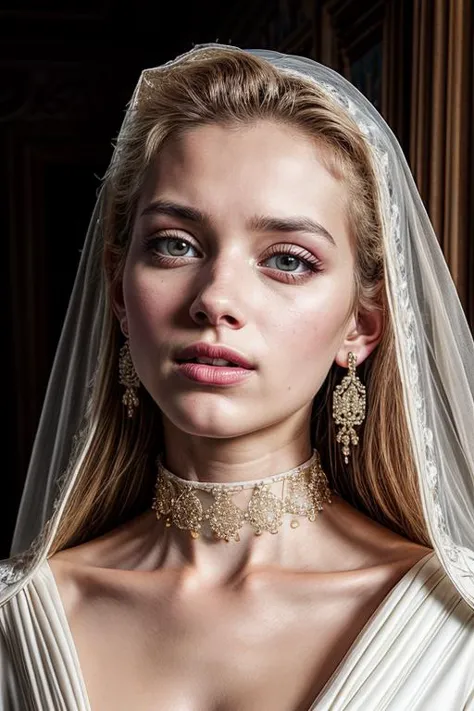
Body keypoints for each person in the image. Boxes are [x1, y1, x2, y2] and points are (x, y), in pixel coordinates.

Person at [0, 44, 473, 711]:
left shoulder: (458, 629)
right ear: (117, 291)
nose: (215, 297)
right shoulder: (17, 621)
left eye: (286, 259)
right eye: (175, 244)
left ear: (361, 326)